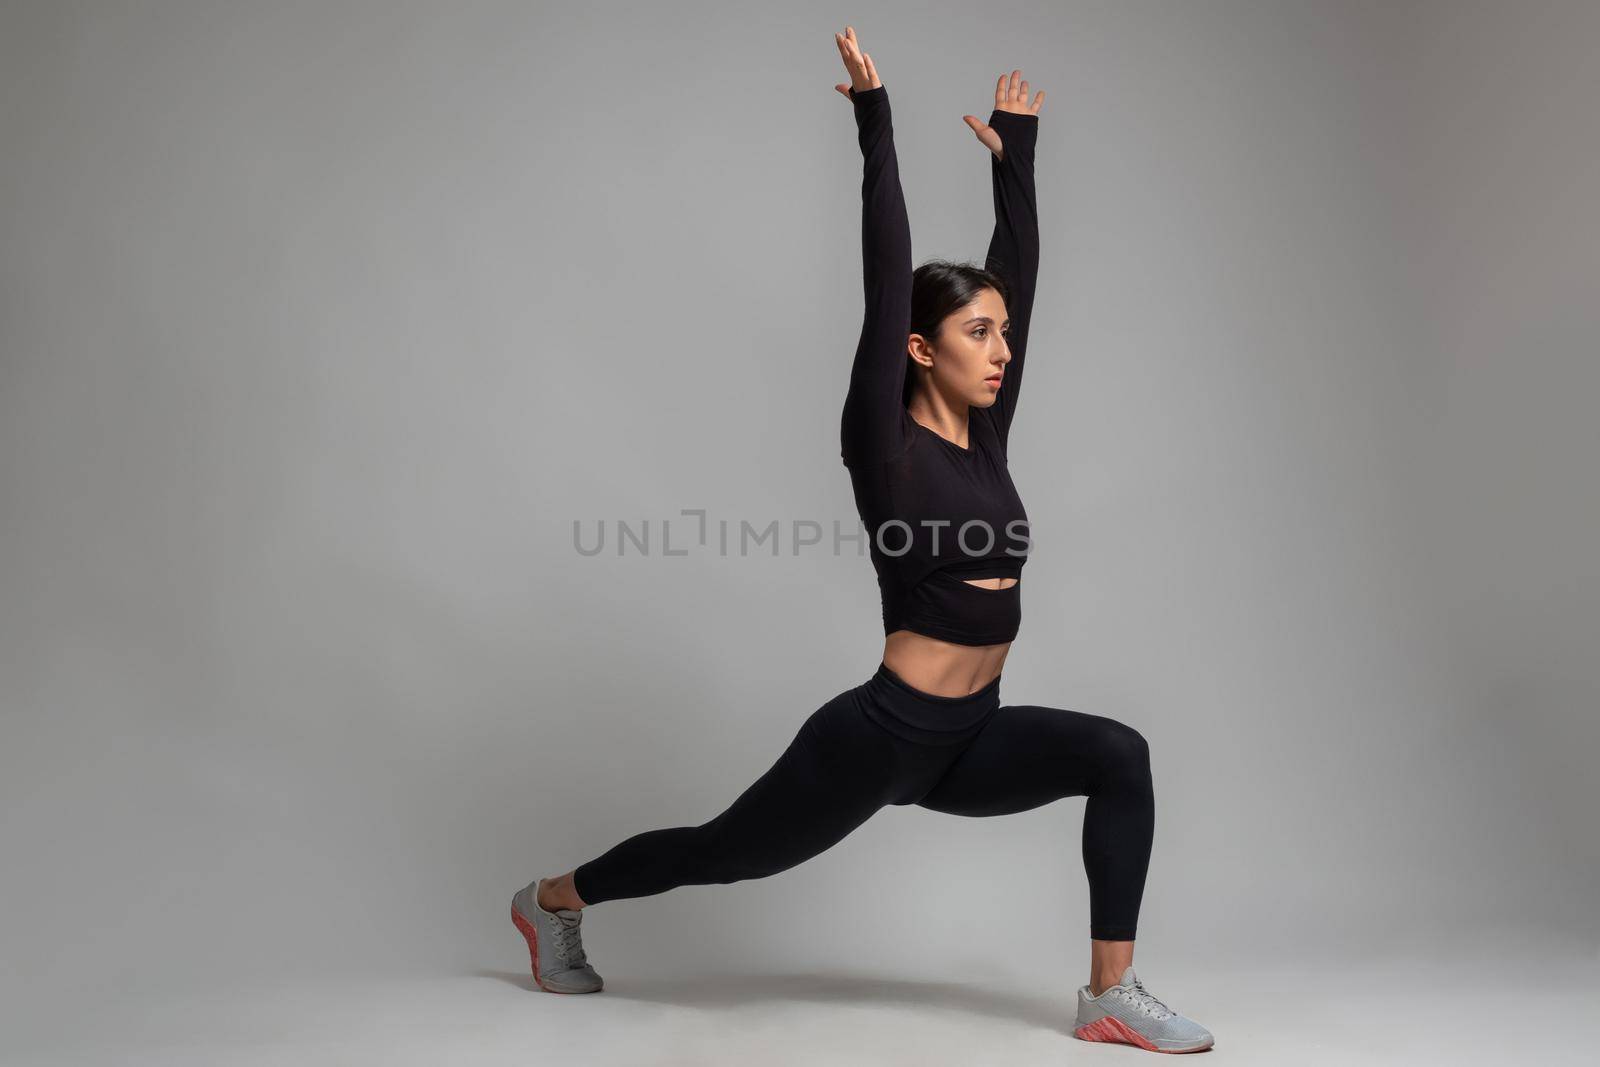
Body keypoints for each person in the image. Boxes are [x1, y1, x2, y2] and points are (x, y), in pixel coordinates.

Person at [510, 26, 1214, 1054]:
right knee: (723, 854)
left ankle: (1109, 993)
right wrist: (875, 128)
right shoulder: (878, 443)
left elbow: (1019, 275)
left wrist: (1015, 157)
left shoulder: (985, 433)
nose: (1002, 351)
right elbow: (889, 280)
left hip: (971, 736)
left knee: (1119, 754)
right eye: (979, 334)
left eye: (1005, 336)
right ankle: (552, 899)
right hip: (881, 737)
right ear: (919, 350)